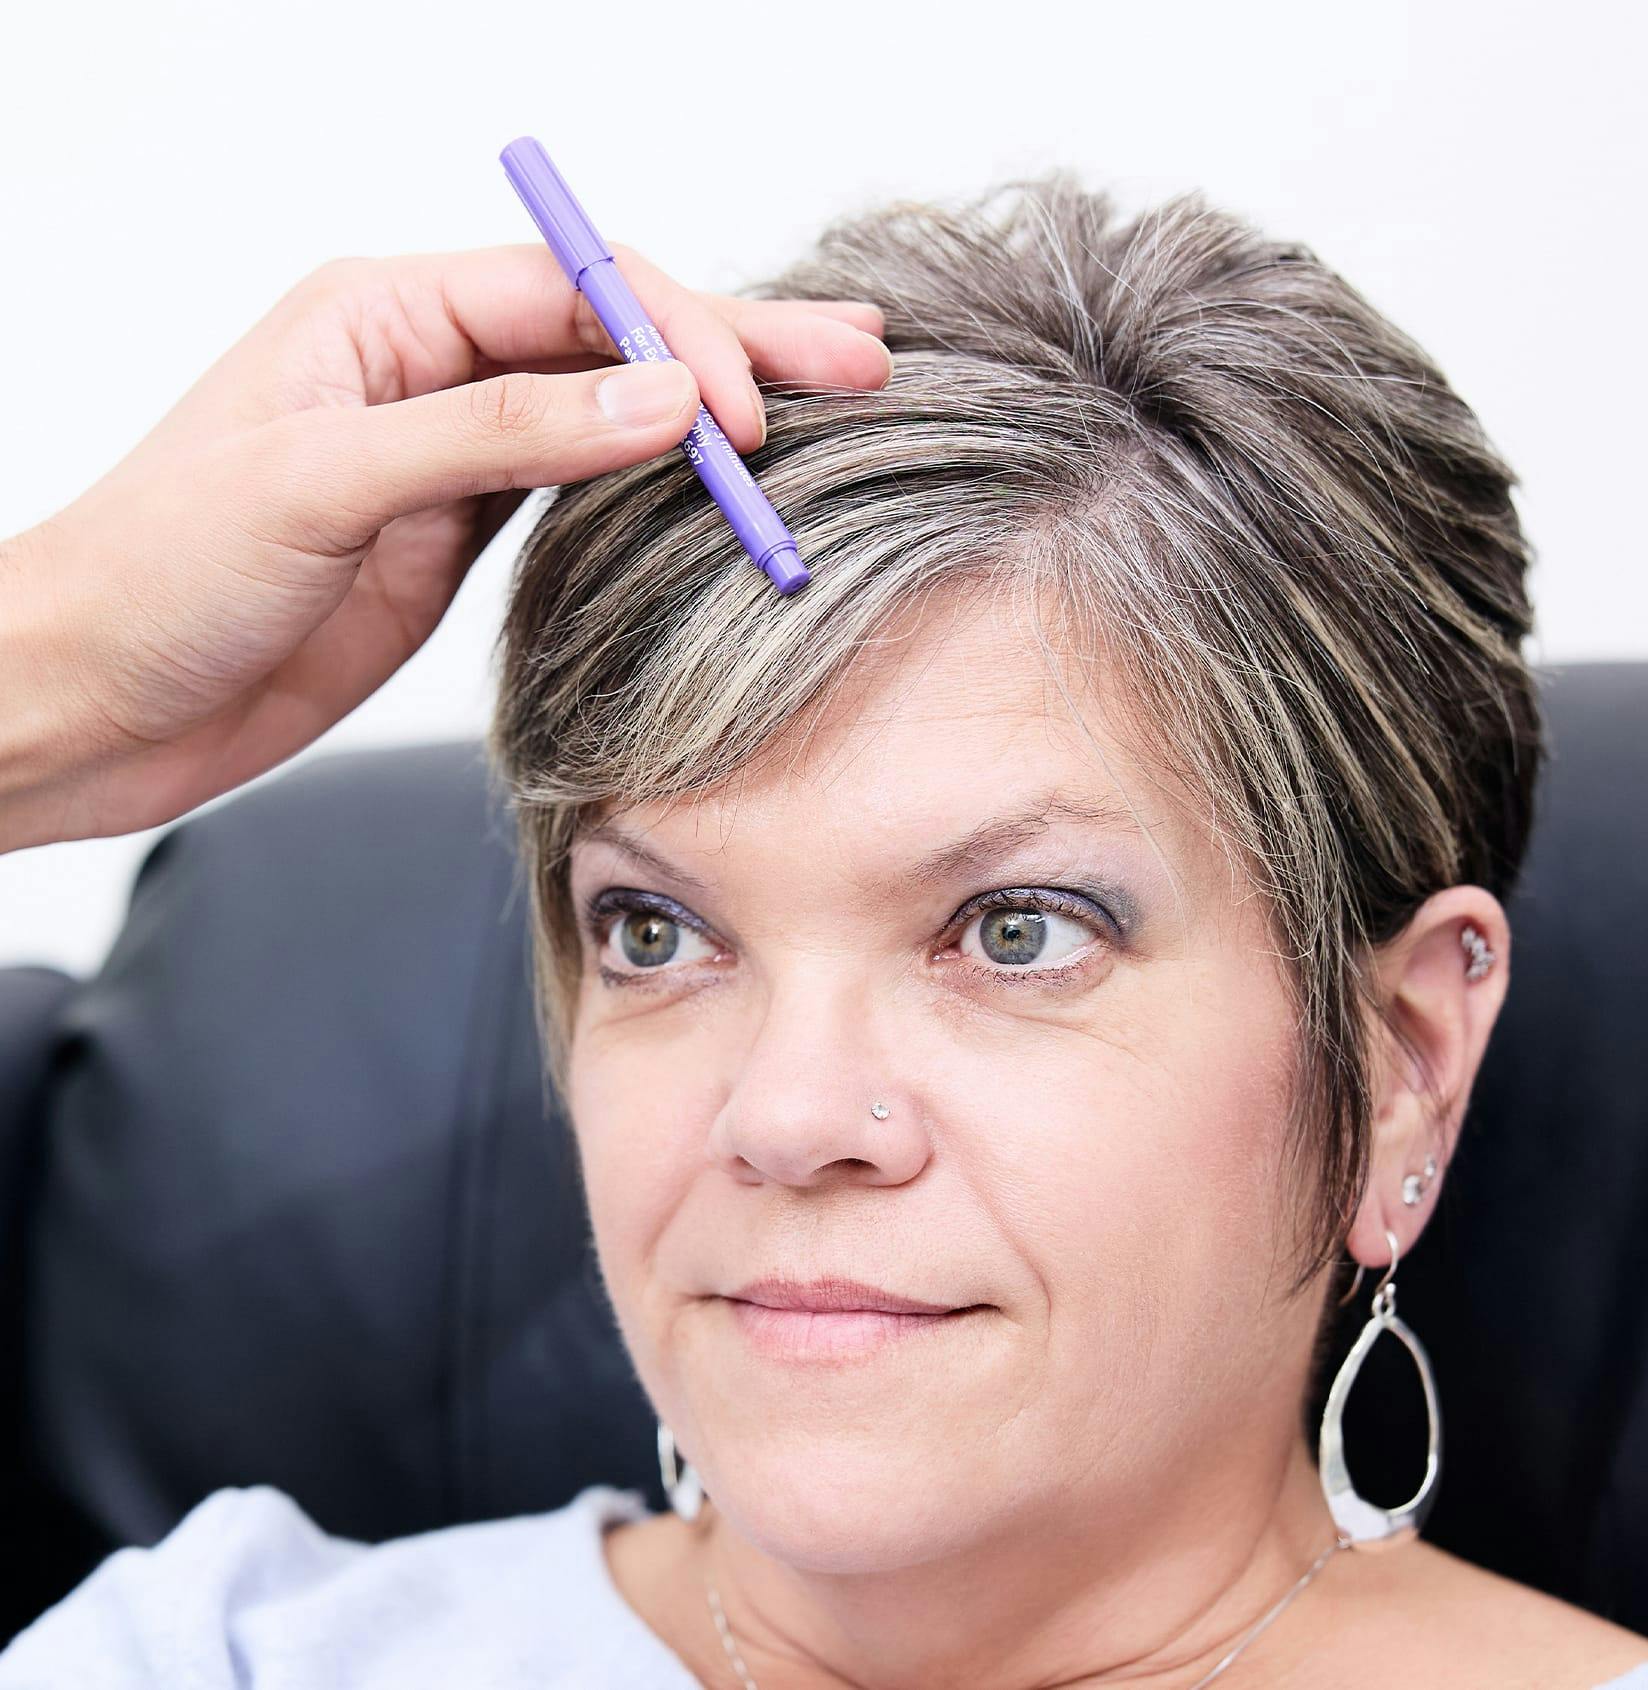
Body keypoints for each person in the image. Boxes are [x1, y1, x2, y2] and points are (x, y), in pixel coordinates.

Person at [1, 174, 1644, 1690]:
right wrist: (43, 687)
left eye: (1013, 930)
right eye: (656, 931)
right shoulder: (226, 1655)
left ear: (1405, 1058)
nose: (784, 1119)